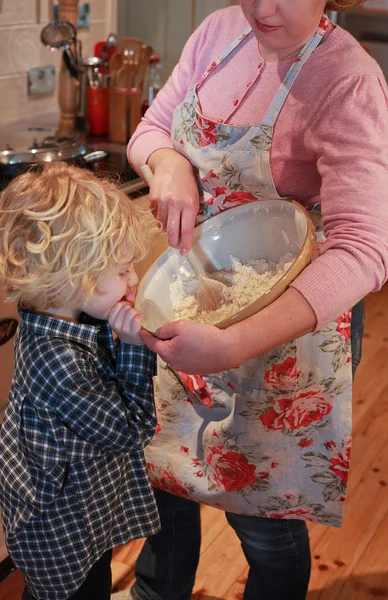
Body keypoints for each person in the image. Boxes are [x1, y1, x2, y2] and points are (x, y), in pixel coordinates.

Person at [127, 0, 388, 599]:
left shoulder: (348, 80)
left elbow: (365, 250)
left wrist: (232, 344)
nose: (262, 8)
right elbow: (151, 127)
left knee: (261, 513)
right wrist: (166, 162)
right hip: (190, 303)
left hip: (282, 336)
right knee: (165, 483)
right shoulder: (219, 30)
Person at [0, 162, 161, 600]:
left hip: (79, 508)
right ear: (73, 277)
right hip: (63, 530)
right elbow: (132, 431)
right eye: (123, 270)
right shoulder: (60, 362)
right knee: (84, 590)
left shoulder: (62, 315)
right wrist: (133, 345)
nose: (135, 279)